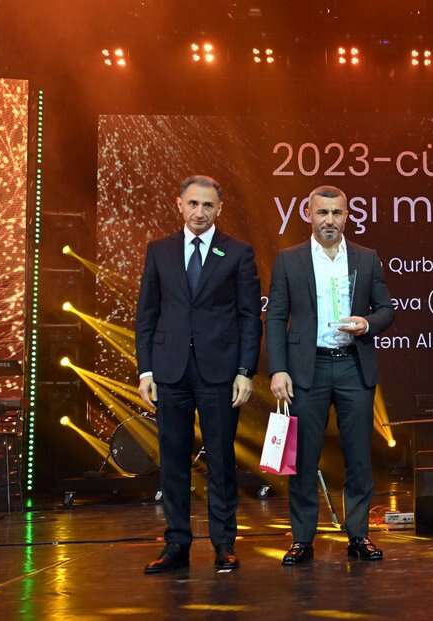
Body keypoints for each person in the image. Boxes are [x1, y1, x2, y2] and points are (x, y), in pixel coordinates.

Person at [136, 175, 262, 573]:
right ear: (180, 204)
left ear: (219, 209)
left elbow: (249, 317)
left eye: (208, 205)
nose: (200, 212)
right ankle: (176, 544)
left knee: (221, 460)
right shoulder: (159, 251)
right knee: (173, 460)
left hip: (220, 371)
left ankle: (224, 544)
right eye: (193, 203)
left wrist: (245, 371)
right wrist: (146, 370)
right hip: (170, 370)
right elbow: (147, 314)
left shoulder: (238, 252)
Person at [266, 185, 394, 565]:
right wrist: (278, 369)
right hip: (308, 368)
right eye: (322, 213)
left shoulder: (366, 258)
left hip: (353, 364)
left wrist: (366, 323)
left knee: (358, 457)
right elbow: (276, 316)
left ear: (347, 216)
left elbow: (386, 309)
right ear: (308, 214)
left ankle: (358, 535)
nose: (329, 220)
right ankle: (302, 539)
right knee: (304, 458)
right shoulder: (289, 260)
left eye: (337, 213)